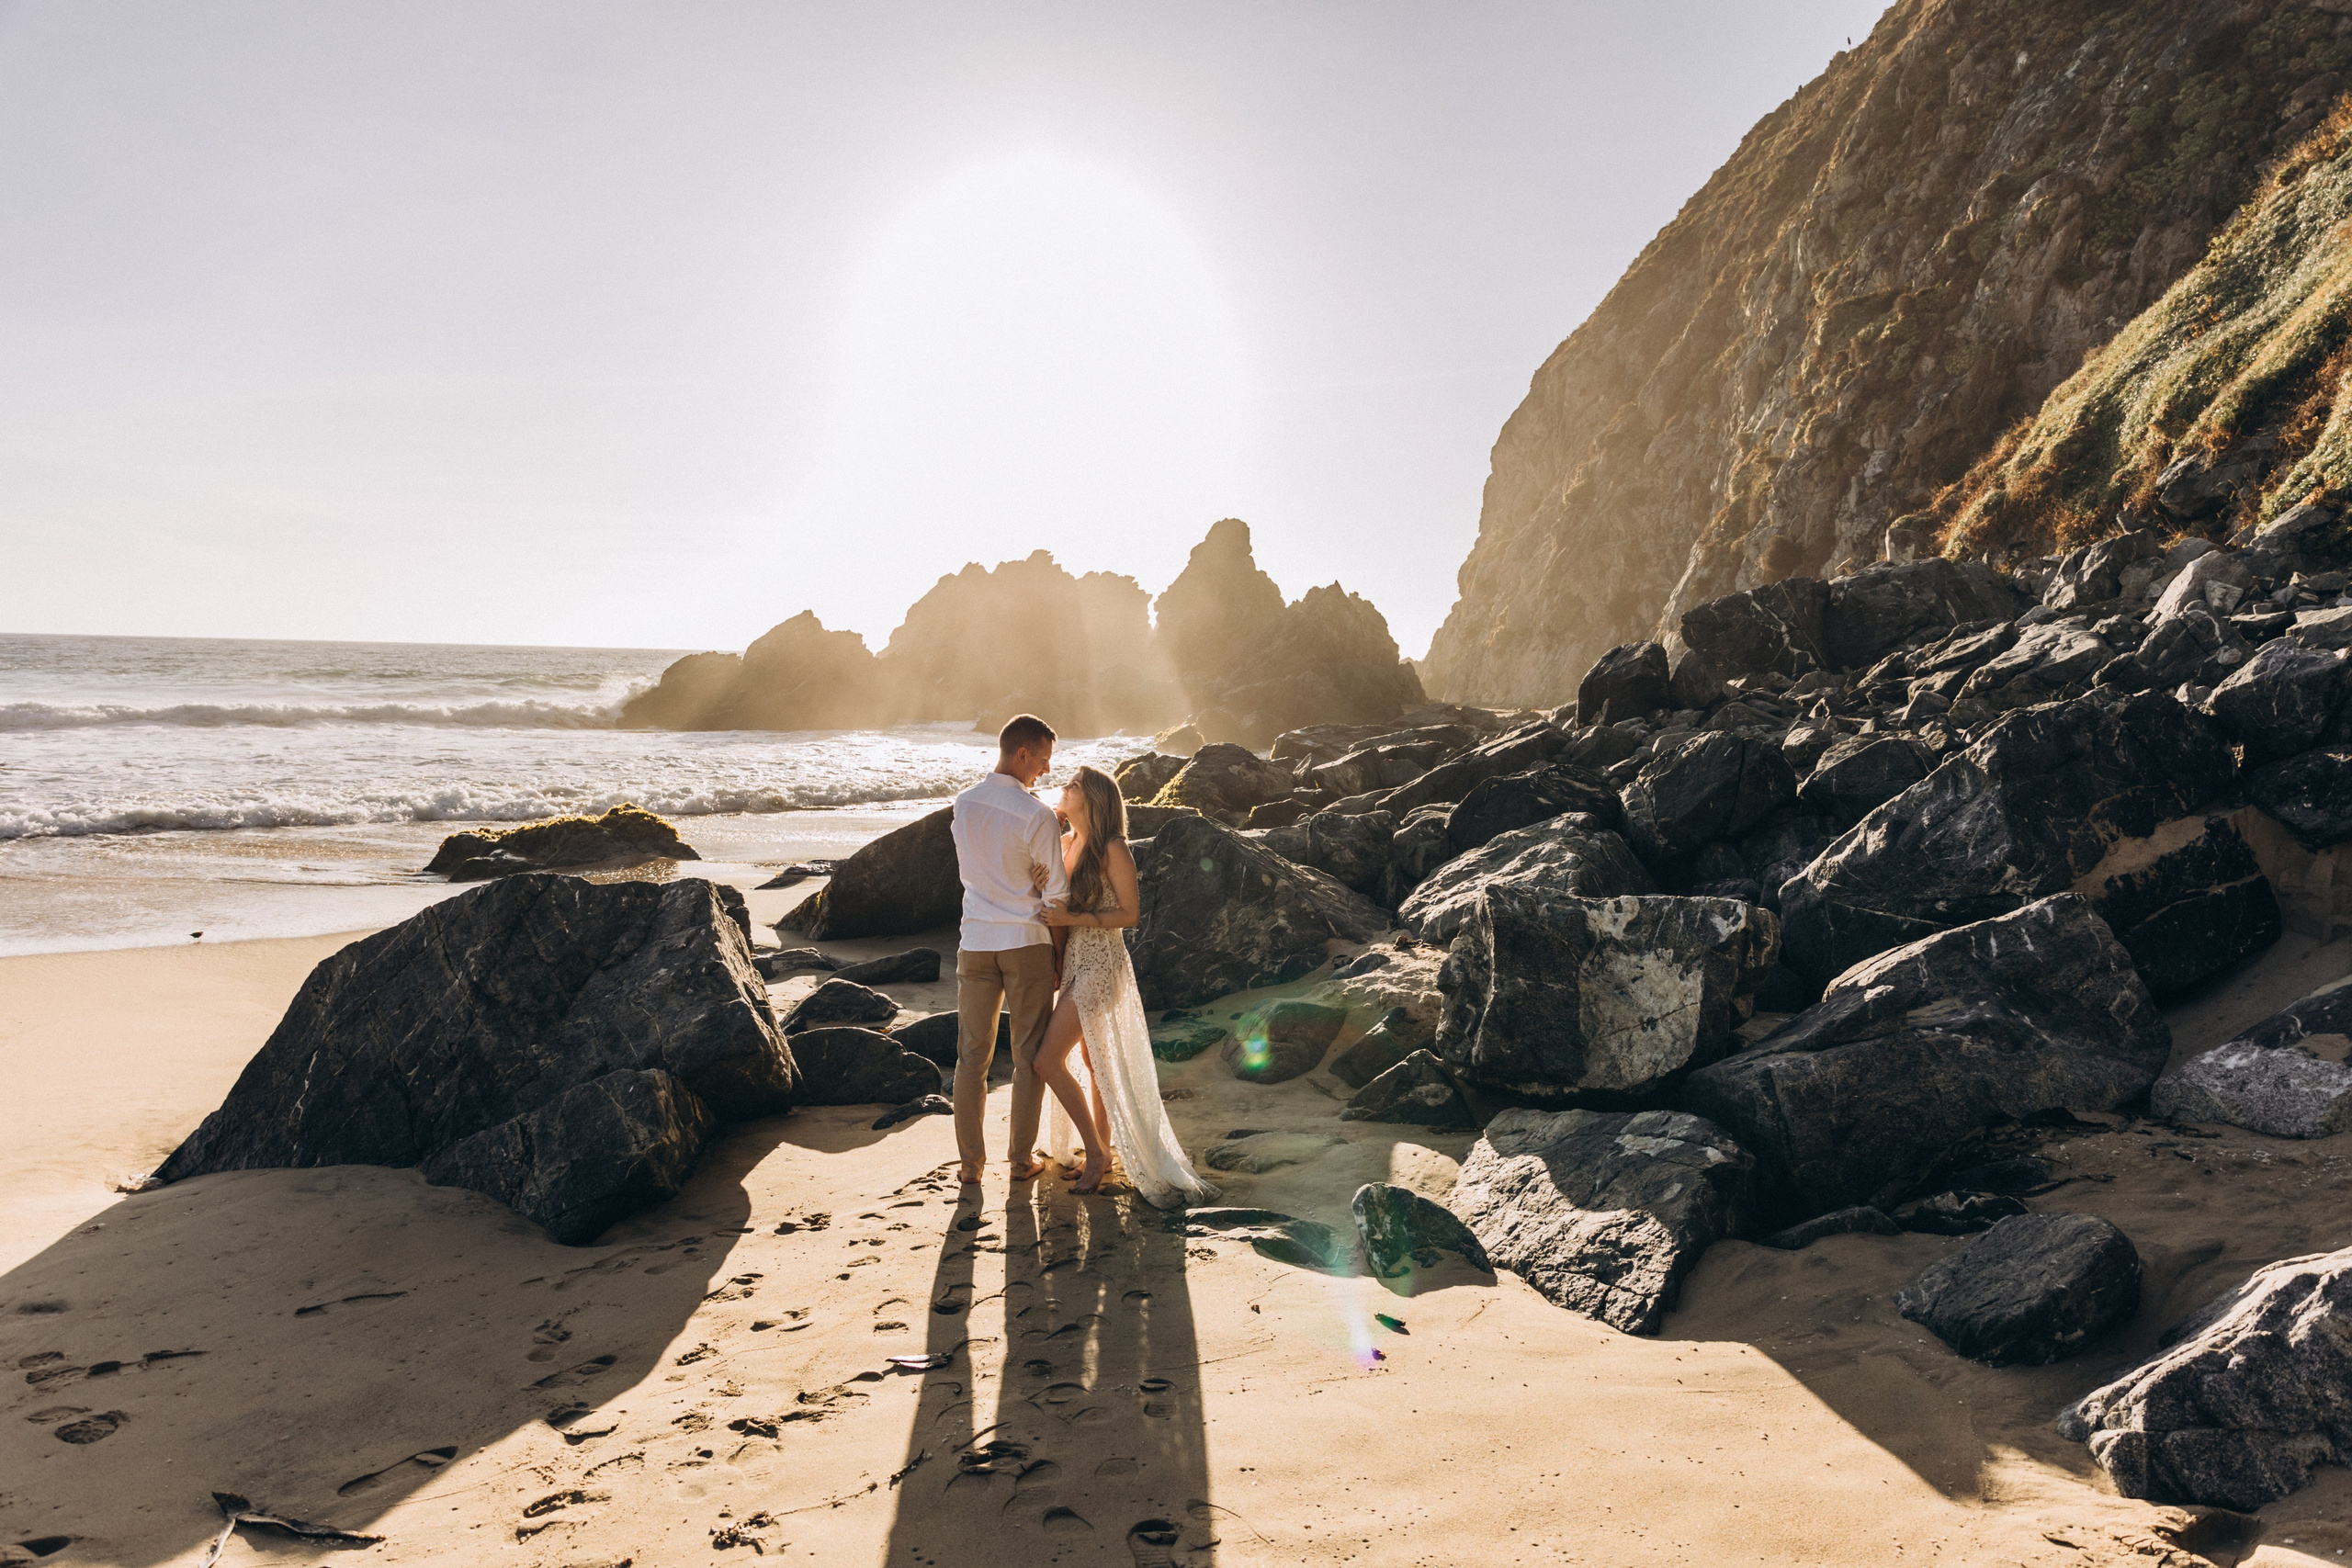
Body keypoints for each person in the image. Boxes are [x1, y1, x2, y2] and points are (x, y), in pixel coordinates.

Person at [1035, 763, 1219, 1208]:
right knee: (1092, 1060)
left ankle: (1097, 1153)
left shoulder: (1113, 847)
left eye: (1074, 785)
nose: (1065, 787)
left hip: (1103, 962)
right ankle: (1101, 1150)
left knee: (1046, 1060)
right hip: (1075, 960)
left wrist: (1073, 917)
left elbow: (1130, 915)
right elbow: (1051, 906)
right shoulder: (1065, 844)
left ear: (1094, 799)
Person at [946, 713, 1067, 1187]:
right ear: (1022, 754)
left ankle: (970, 1166)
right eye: (1043, 759)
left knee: (971, 1058)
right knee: (1028, 1056)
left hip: (975, 941)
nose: (1047, 769)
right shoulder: (1036, 814)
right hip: (1025, 942)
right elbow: (1056, 897)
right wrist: (1059, 956)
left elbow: (975, 871)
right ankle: (1019, 1161)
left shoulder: (963, 804)